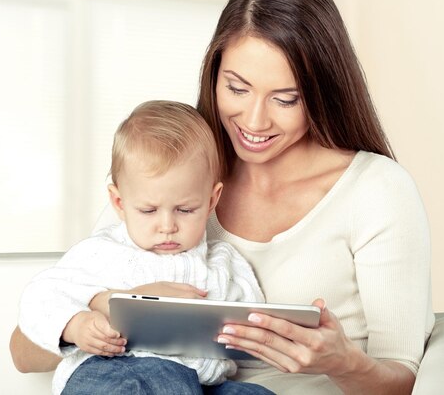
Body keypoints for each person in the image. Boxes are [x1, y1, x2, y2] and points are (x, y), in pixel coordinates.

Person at [11, 0, 434, 394]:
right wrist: (110, 306)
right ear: (214, 74)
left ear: (321, 93)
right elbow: (24, 350)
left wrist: (343, 363)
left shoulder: (376, 191)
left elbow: (403, 379)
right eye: (237, 88)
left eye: (285, 99)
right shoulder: (172, 176)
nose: (254, 121)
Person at [17, 100, 272, 395]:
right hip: (110, 372)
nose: (167, 226)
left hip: (199, 383)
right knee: (159, 377)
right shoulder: (101, 252)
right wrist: (76, 326)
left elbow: (254, 325)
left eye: (186, 209)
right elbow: (41, 298)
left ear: (212, 200)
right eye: (149, 211)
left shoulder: (224, 264)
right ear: (119, 203)